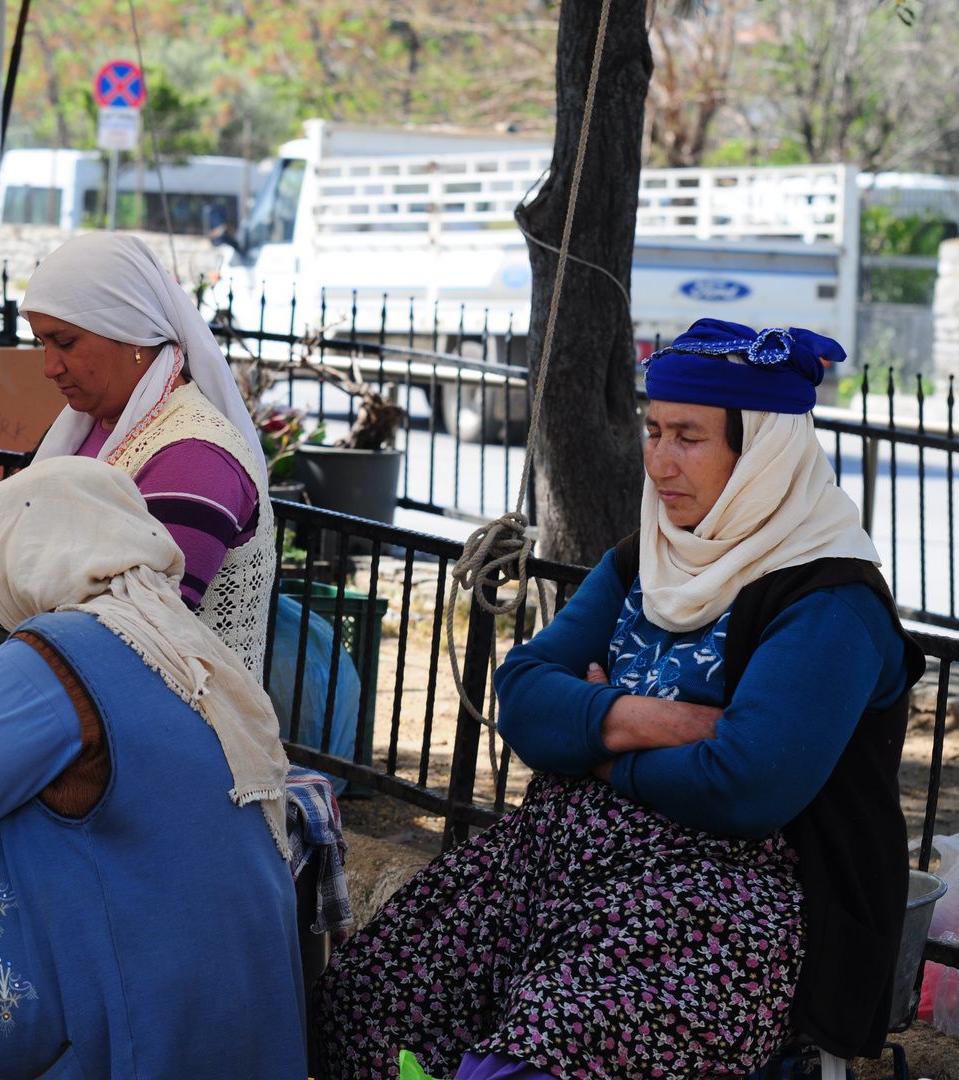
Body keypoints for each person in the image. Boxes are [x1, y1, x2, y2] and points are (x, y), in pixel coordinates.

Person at [313, 319, 925, 1079]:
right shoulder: (646, 560)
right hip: (557, 864)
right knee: (367, 1003)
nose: (660, 461)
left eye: (690, 437)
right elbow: (525, 699)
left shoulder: (831, 601)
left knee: (532, 1061)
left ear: (762, 452)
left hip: (724, 905)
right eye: (654, 430)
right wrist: (649, 721)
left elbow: (744, 786)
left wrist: (594, 749)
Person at [0, 456, 307, 1080]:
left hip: (134, 1042)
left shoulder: (49, 658)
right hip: (244, 1030)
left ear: (12, 559)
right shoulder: (188, 643)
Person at [0, 233, 276, 673]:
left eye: (65, 342)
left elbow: (136, 635)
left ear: (132, 332)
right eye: (43, 343)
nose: (49, 367)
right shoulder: (87, 428)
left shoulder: (196, 456)